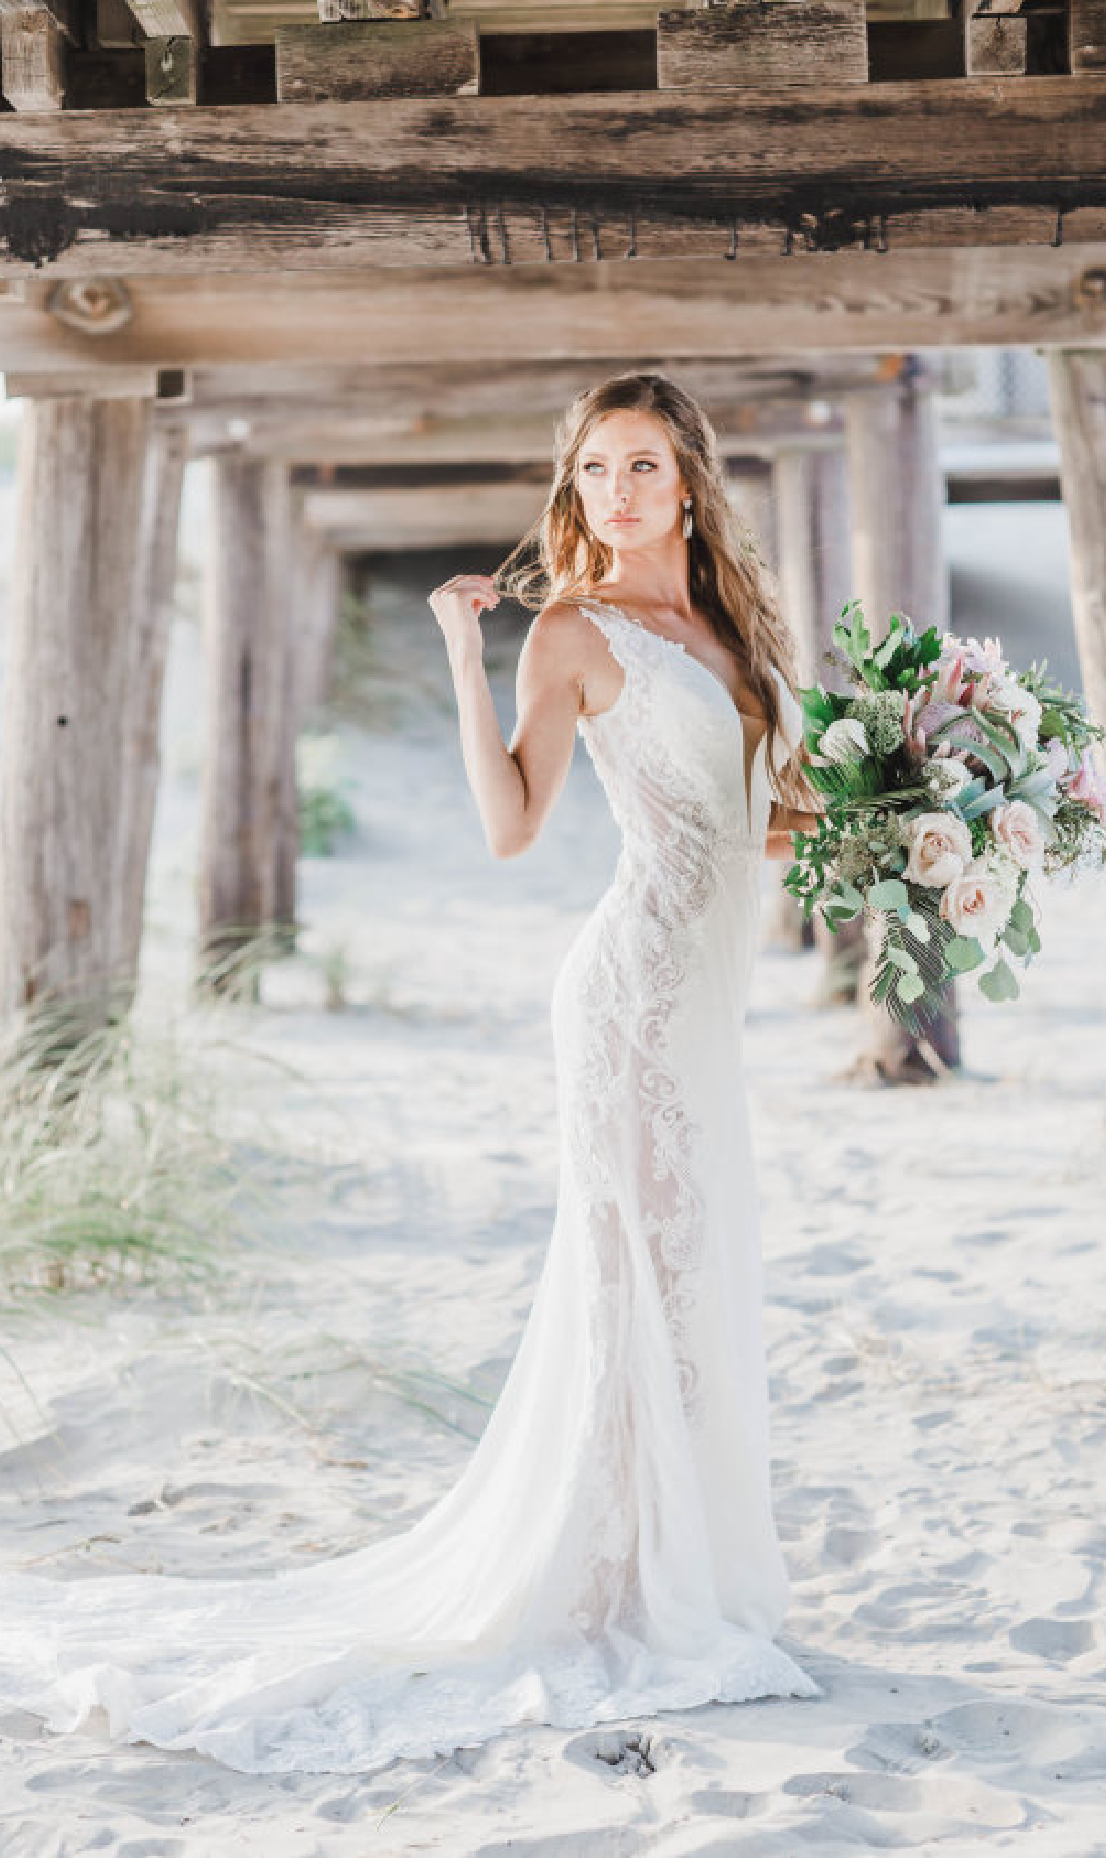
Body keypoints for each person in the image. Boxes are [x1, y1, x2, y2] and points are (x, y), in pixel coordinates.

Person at [0, 372, 821, 1775]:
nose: (615, 493)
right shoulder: (573, 630)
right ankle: (626, 1587)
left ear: (687, 478)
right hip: (624, 999)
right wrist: (458, 655)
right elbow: (510, 827)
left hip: (704, 1006)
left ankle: (673, 1570)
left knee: (697, 1270)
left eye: (639, 465)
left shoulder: (736, 631)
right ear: (575, 492)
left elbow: (760, 830)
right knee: (640, 1275)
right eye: (592, 471)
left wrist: (921, 814)